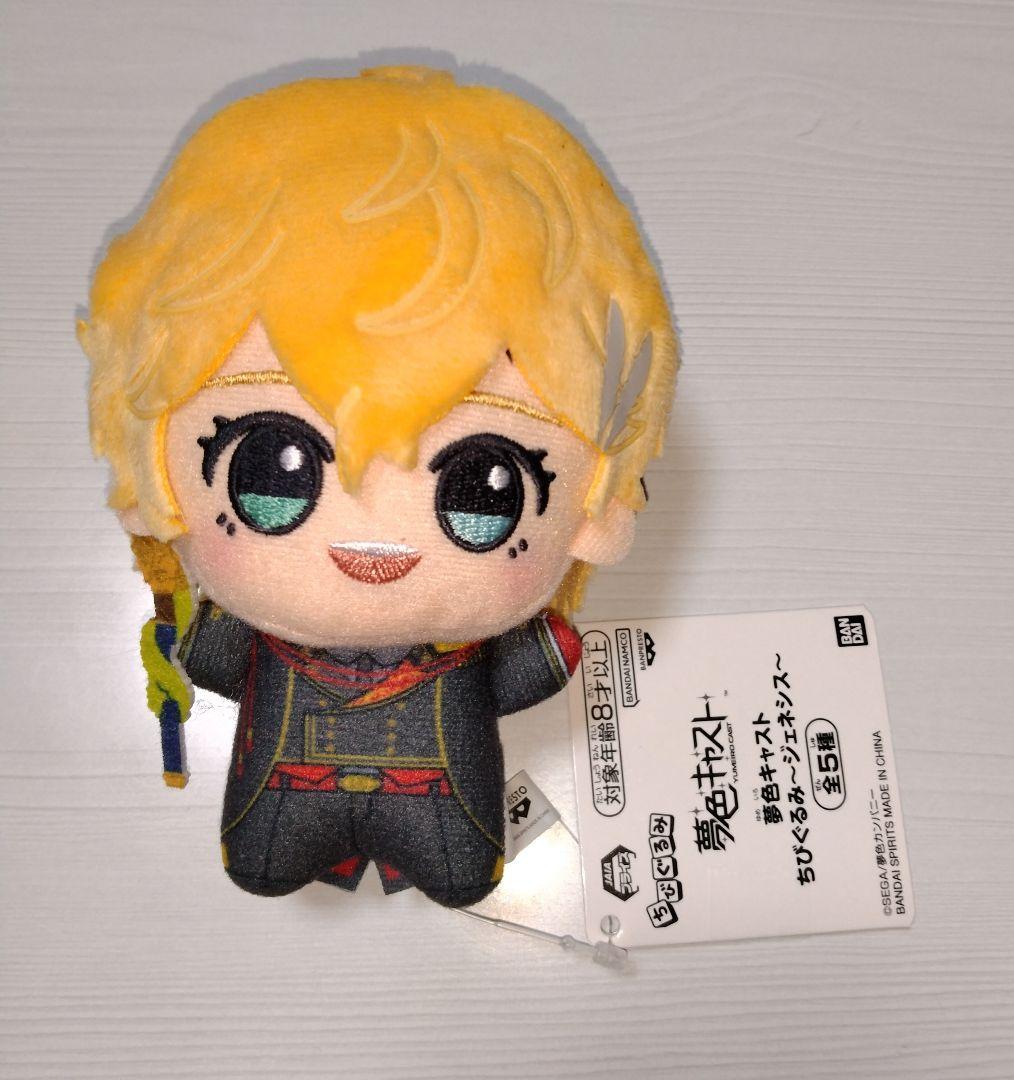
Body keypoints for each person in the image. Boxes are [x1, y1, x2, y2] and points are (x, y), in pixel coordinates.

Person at [79, 65, 677, 905]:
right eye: (272, 476)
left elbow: (526, 671)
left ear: (592, 517)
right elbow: (208, 655)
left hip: (433, 803)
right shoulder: (276, 633)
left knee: (454, 865)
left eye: (482, 493)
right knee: (269, 859)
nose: (375, 530)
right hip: (292, 796)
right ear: (156, 479)